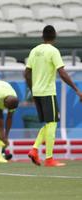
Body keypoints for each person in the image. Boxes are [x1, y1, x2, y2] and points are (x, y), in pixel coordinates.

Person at [25, 25, 82, 167]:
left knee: (48, 124)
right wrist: (76, 89)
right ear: (54, 37)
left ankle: (34, 150)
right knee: (52, 124)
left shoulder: (34, 50)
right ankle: (49, 158)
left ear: (42, 36)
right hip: (48, 92)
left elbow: (26, 73)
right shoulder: (53, 51)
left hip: (37, 92)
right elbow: (62, 73)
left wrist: (32, 90)